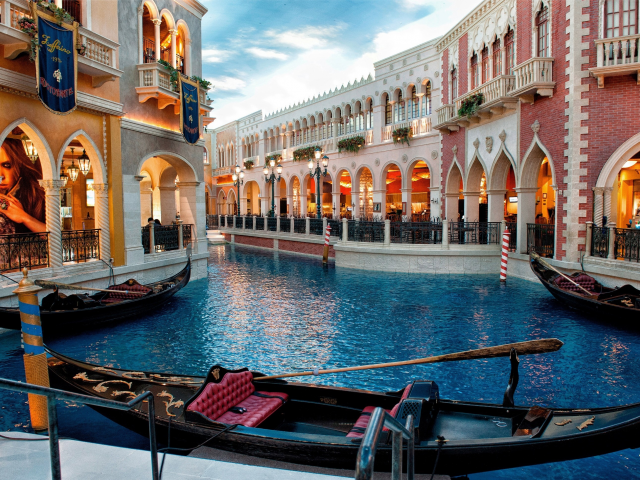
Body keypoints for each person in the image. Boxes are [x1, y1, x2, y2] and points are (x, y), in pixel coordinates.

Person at [0, 138, 45, 234]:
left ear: (21, 166)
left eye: (7, 165)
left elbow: (56, 238)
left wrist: (24, 218)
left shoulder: (34, 197)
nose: (1, 175)